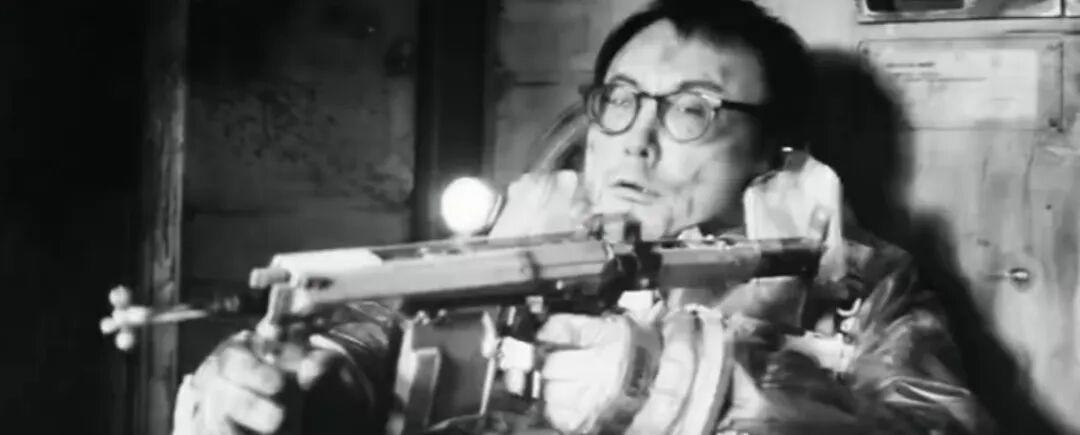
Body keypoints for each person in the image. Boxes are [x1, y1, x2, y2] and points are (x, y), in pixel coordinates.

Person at [172, 0, 990, 433]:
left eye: (692, 110)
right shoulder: (519, 243)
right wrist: (287, 390)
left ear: (774, 150)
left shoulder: (859, 286)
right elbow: (372, 340)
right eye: (620, 100)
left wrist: (715, 373)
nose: (635, 139)